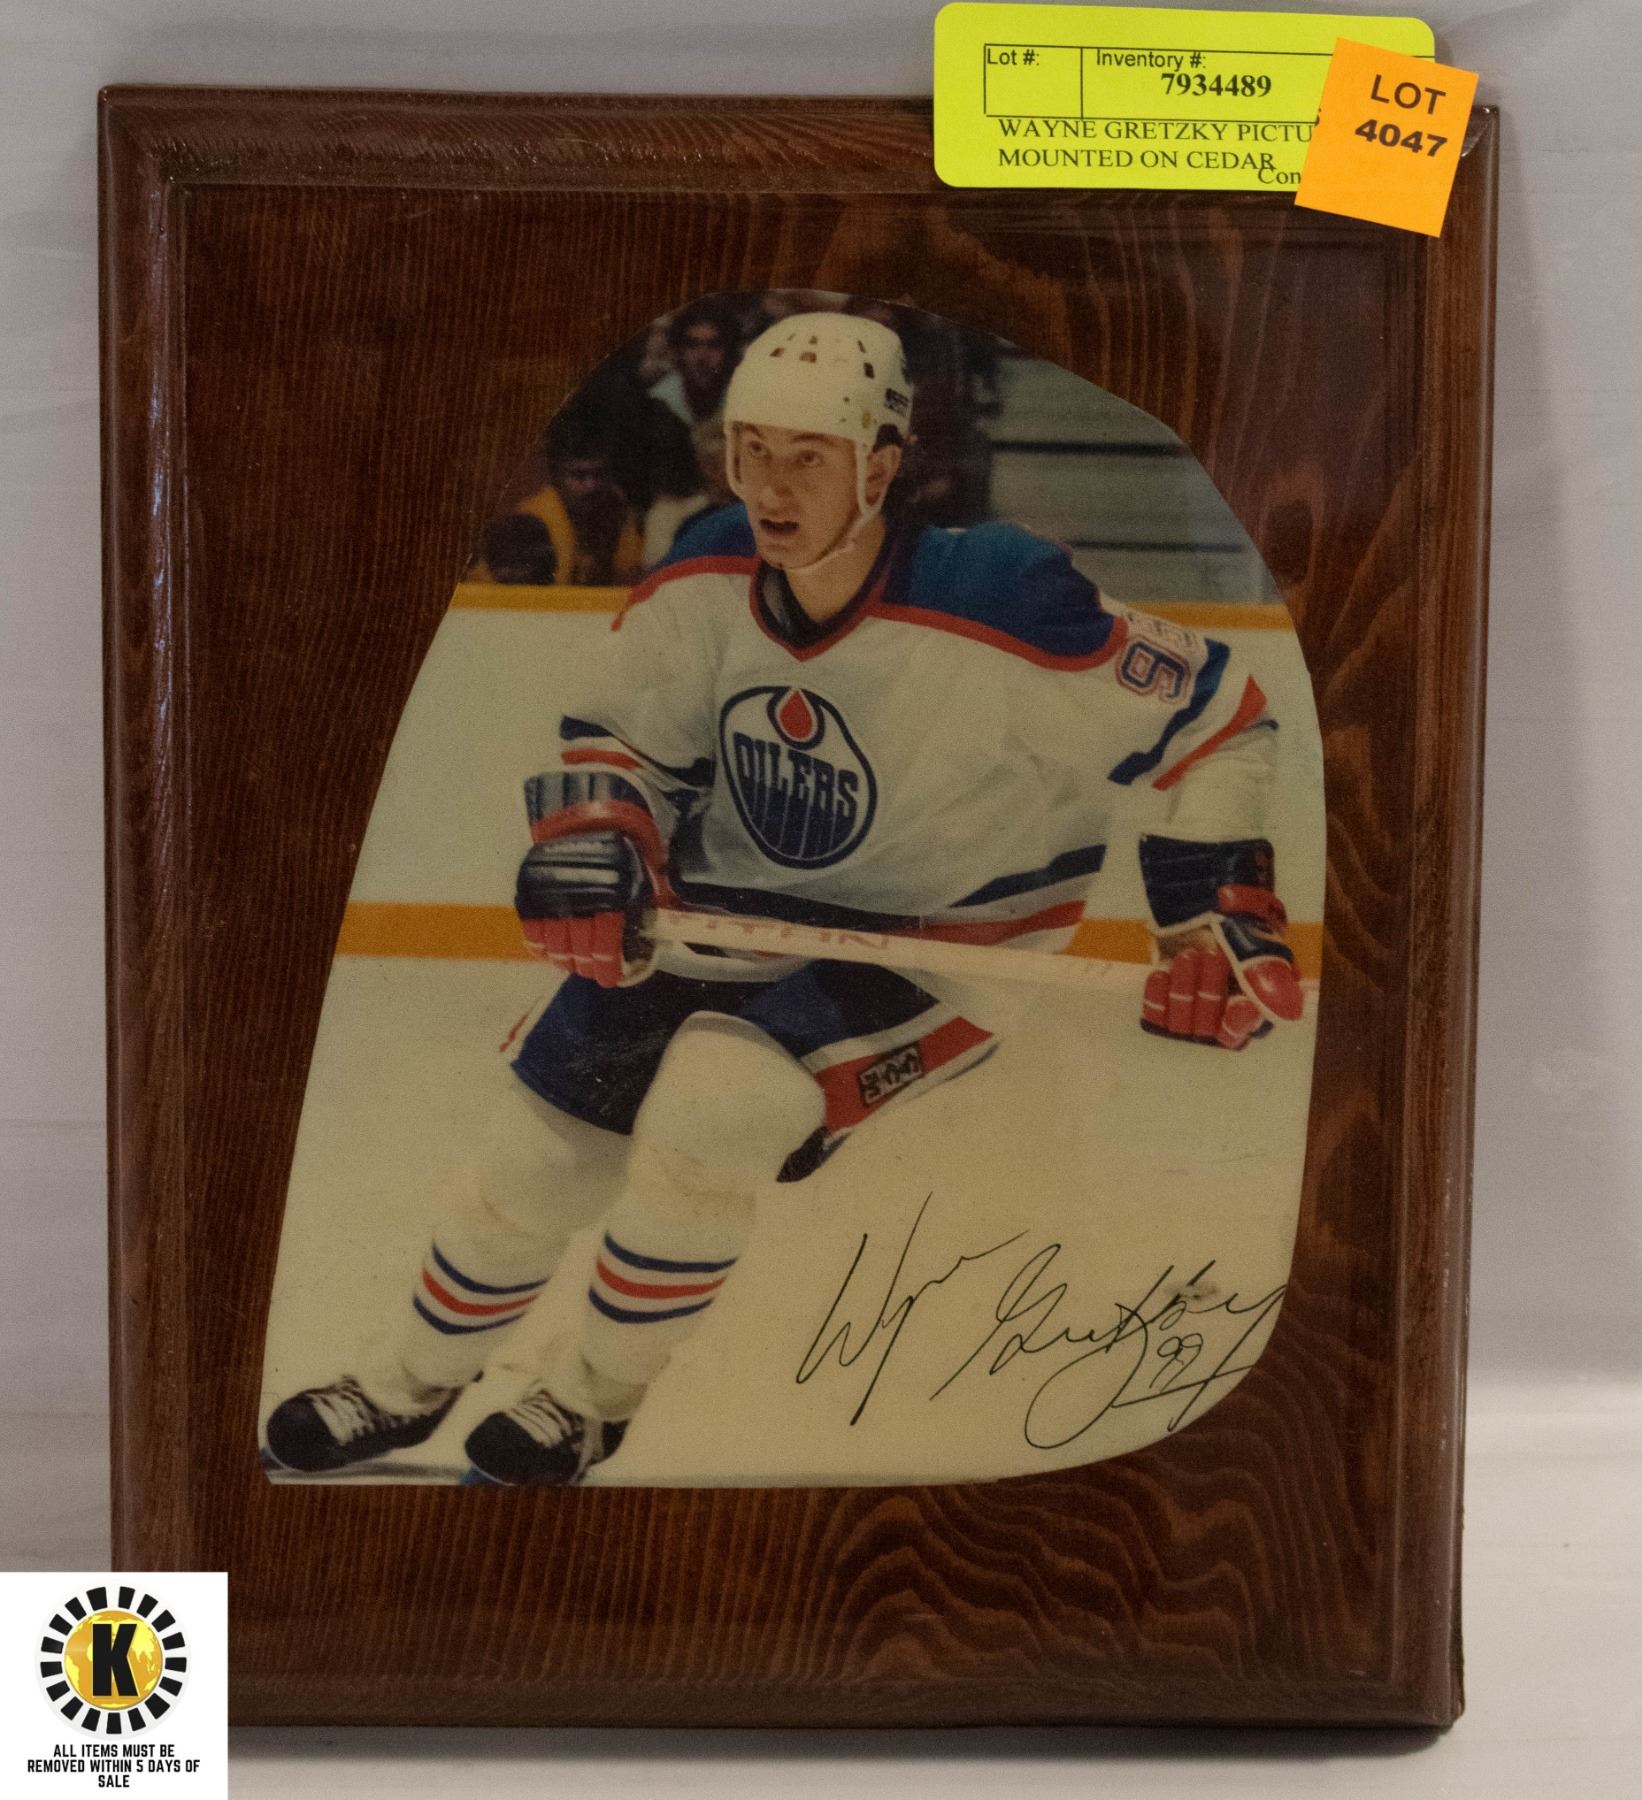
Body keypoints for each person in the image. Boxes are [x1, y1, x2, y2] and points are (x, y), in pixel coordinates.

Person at [264, 312, 1303, 1486]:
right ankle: (401, 1386)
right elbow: (624, 738)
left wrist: (1207, 908)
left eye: (808, 455)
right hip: (723, 913)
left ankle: (587, 1398)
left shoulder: (1003, 594)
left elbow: (1222, 719)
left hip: (931, 945)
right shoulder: (707, 564)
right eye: (751, 449)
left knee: (716, 1109)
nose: (769, 485)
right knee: (534, 1156)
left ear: (882, 465)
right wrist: (605, 831)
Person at [510, 410, 644, 586]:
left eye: (599, 474)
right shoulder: (532, 518)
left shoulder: (614, 508)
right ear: (556, 477)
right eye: (579, 475)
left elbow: (630, 581)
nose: (591, 485)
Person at [649, 301, 735, 428]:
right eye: (692, 345)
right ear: (680, 351)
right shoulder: (662, 399)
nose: (702, 357)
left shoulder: (742, 397)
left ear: (728, 351)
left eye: (713, 345)